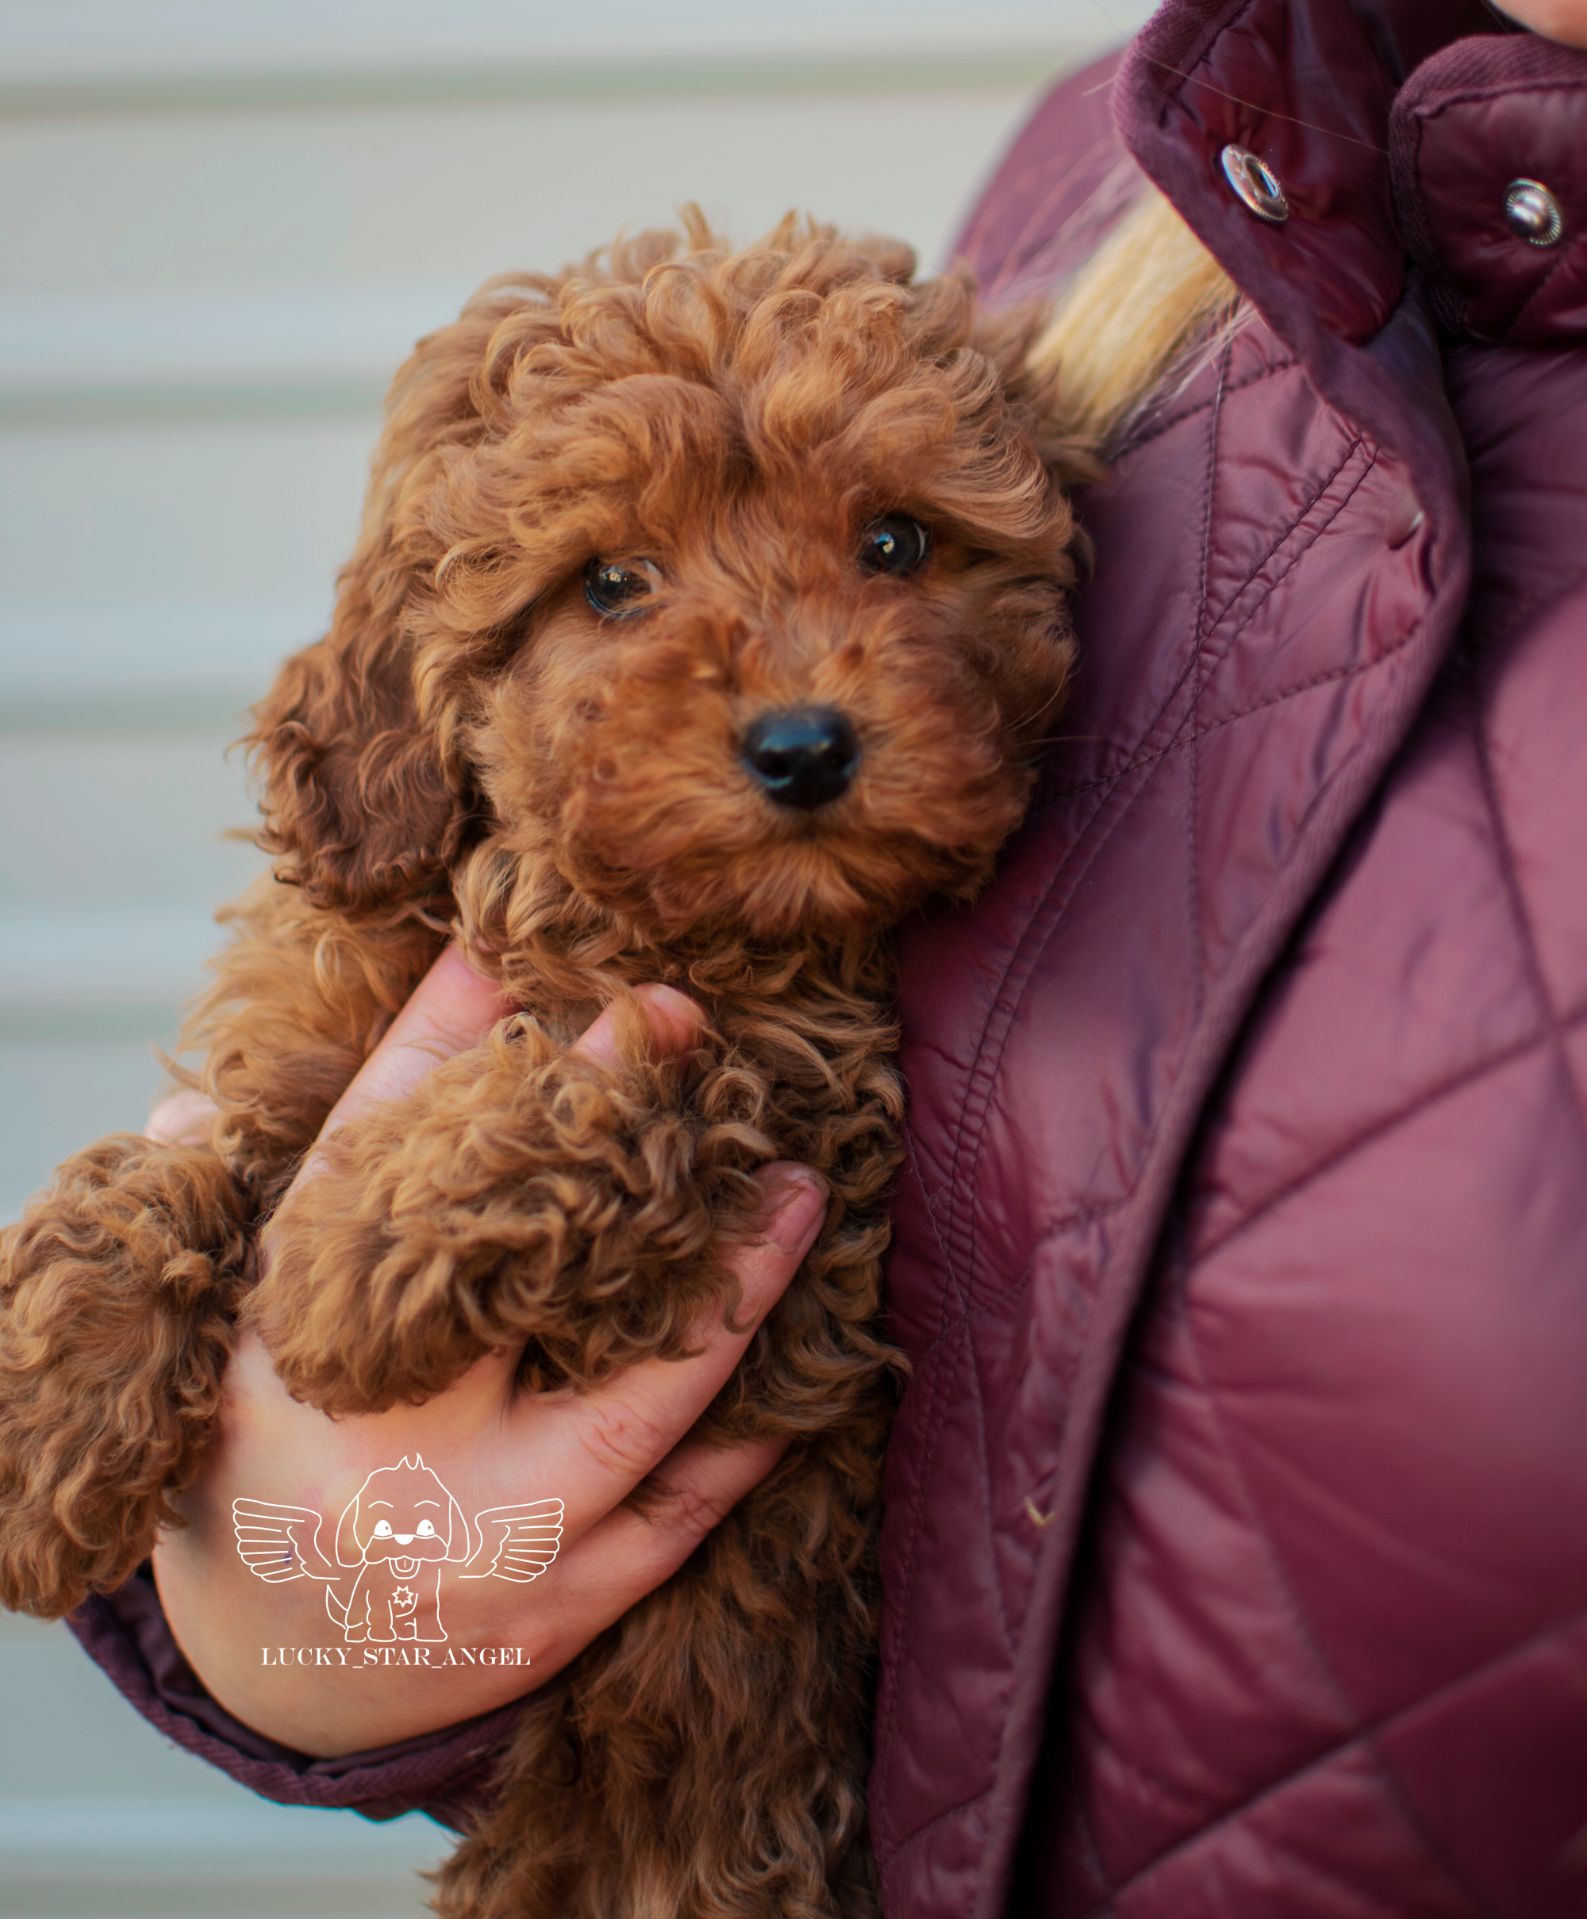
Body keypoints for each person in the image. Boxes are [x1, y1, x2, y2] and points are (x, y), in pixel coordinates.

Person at [59, 0, 1587, 1910]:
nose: (797, 695)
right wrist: (312, 1635)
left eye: (893, 548)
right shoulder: (1158, 165)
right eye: (614, 587)